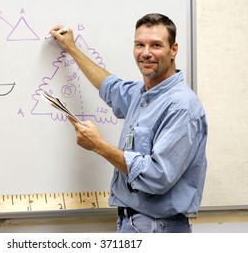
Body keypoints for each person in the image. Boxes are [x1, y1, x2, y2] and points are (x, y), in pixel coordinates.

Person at [48, 13, 207, 233]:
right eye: (139, 44)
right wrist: (72, 48)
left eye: (156, 45)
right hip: (133, 224)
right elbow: (110, 86)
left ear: (174, 50)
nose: (146, 53)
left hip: (157, 229)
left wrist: (99, 146)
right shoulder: (142, 95)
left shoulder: (181, 106)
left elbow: (158, 176)